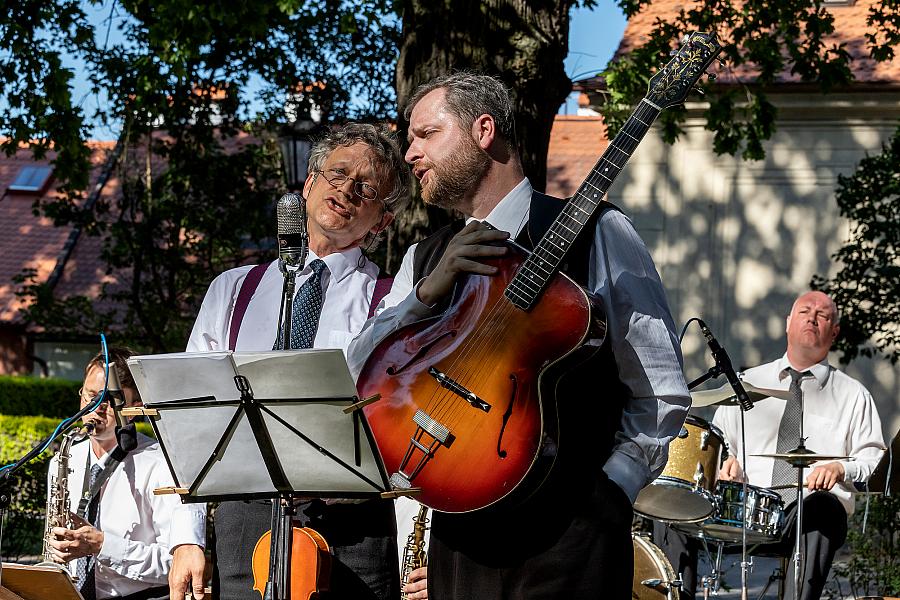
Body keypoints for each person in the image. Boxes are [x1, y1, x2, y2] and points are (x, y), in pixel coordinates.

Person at [347, 72, 691, 599]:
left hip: (572, 533)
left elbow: (659, 384)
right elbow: (359, 372)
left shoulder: (601, 231)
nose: (410, 153)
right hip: (460, 534)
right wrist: (424, 295)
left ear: (483, 130)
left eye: (425, 134)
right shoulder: (427, 256)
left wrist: (611, 491)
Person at [169, 122, 411, 600]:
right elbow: (188, 420)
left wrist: (413, 555)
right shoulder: (232, 289)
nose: (346, 189)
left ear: (381, 221)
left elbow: (406, 429)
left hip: (354, 526)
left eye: (366, 188)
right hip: (245, 519)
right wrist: (186, 537)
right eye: (337, 173)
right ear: (309, 183)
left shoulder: (394, 300)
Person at [654, 290, 885, 600]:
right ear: (789, 322)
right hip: (742, 509)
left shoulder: (854, 396)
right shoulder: (745, 383)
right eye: (805, 311)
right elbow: (719, 444)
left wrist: (841, 468)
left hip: (804, 516)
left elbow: (876, 464)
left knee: (824, 507)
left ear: (835, 331)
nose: (813, 317)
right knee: (671, 502)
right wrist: (725, 463)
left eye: (823, 314)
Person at [46, 347, 197, 600]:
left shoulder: (162, 464)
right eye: (90, 396)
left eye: (109, 399)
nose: (96, 408)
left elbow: (177, 564)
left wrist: (103, 546)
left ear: (135, 407)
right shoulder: (63, 459)